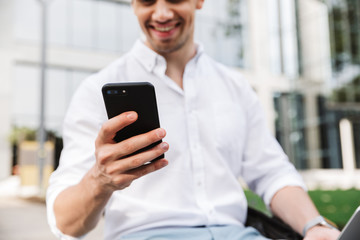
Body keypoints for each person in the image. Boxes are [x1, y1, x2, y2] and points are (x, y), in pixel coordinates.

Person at [46, 0, 341, 239]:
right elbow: (66, 223)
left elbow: (272, 173)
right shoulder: (96, 91)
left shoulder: (235, 87)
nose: (161, 13)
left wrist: (314, 226)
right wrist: (100, 180)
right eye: (148, 1)